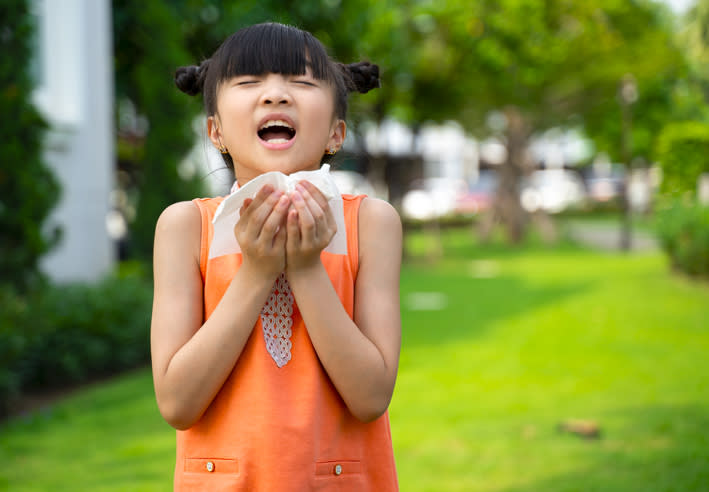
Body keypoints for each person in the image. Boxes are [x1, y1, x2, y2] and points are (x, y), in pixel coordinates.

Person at [150, 22, 401, 491]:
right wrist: (258, 271)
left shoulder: (371, 223)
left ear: (335, 132)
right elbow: (177, 403)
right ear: (216, 131)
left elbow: (370, 396)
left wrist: (306, 267)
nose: (275, 96)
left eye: (301, 83)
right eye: (249, 83)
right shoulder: (185, 226)